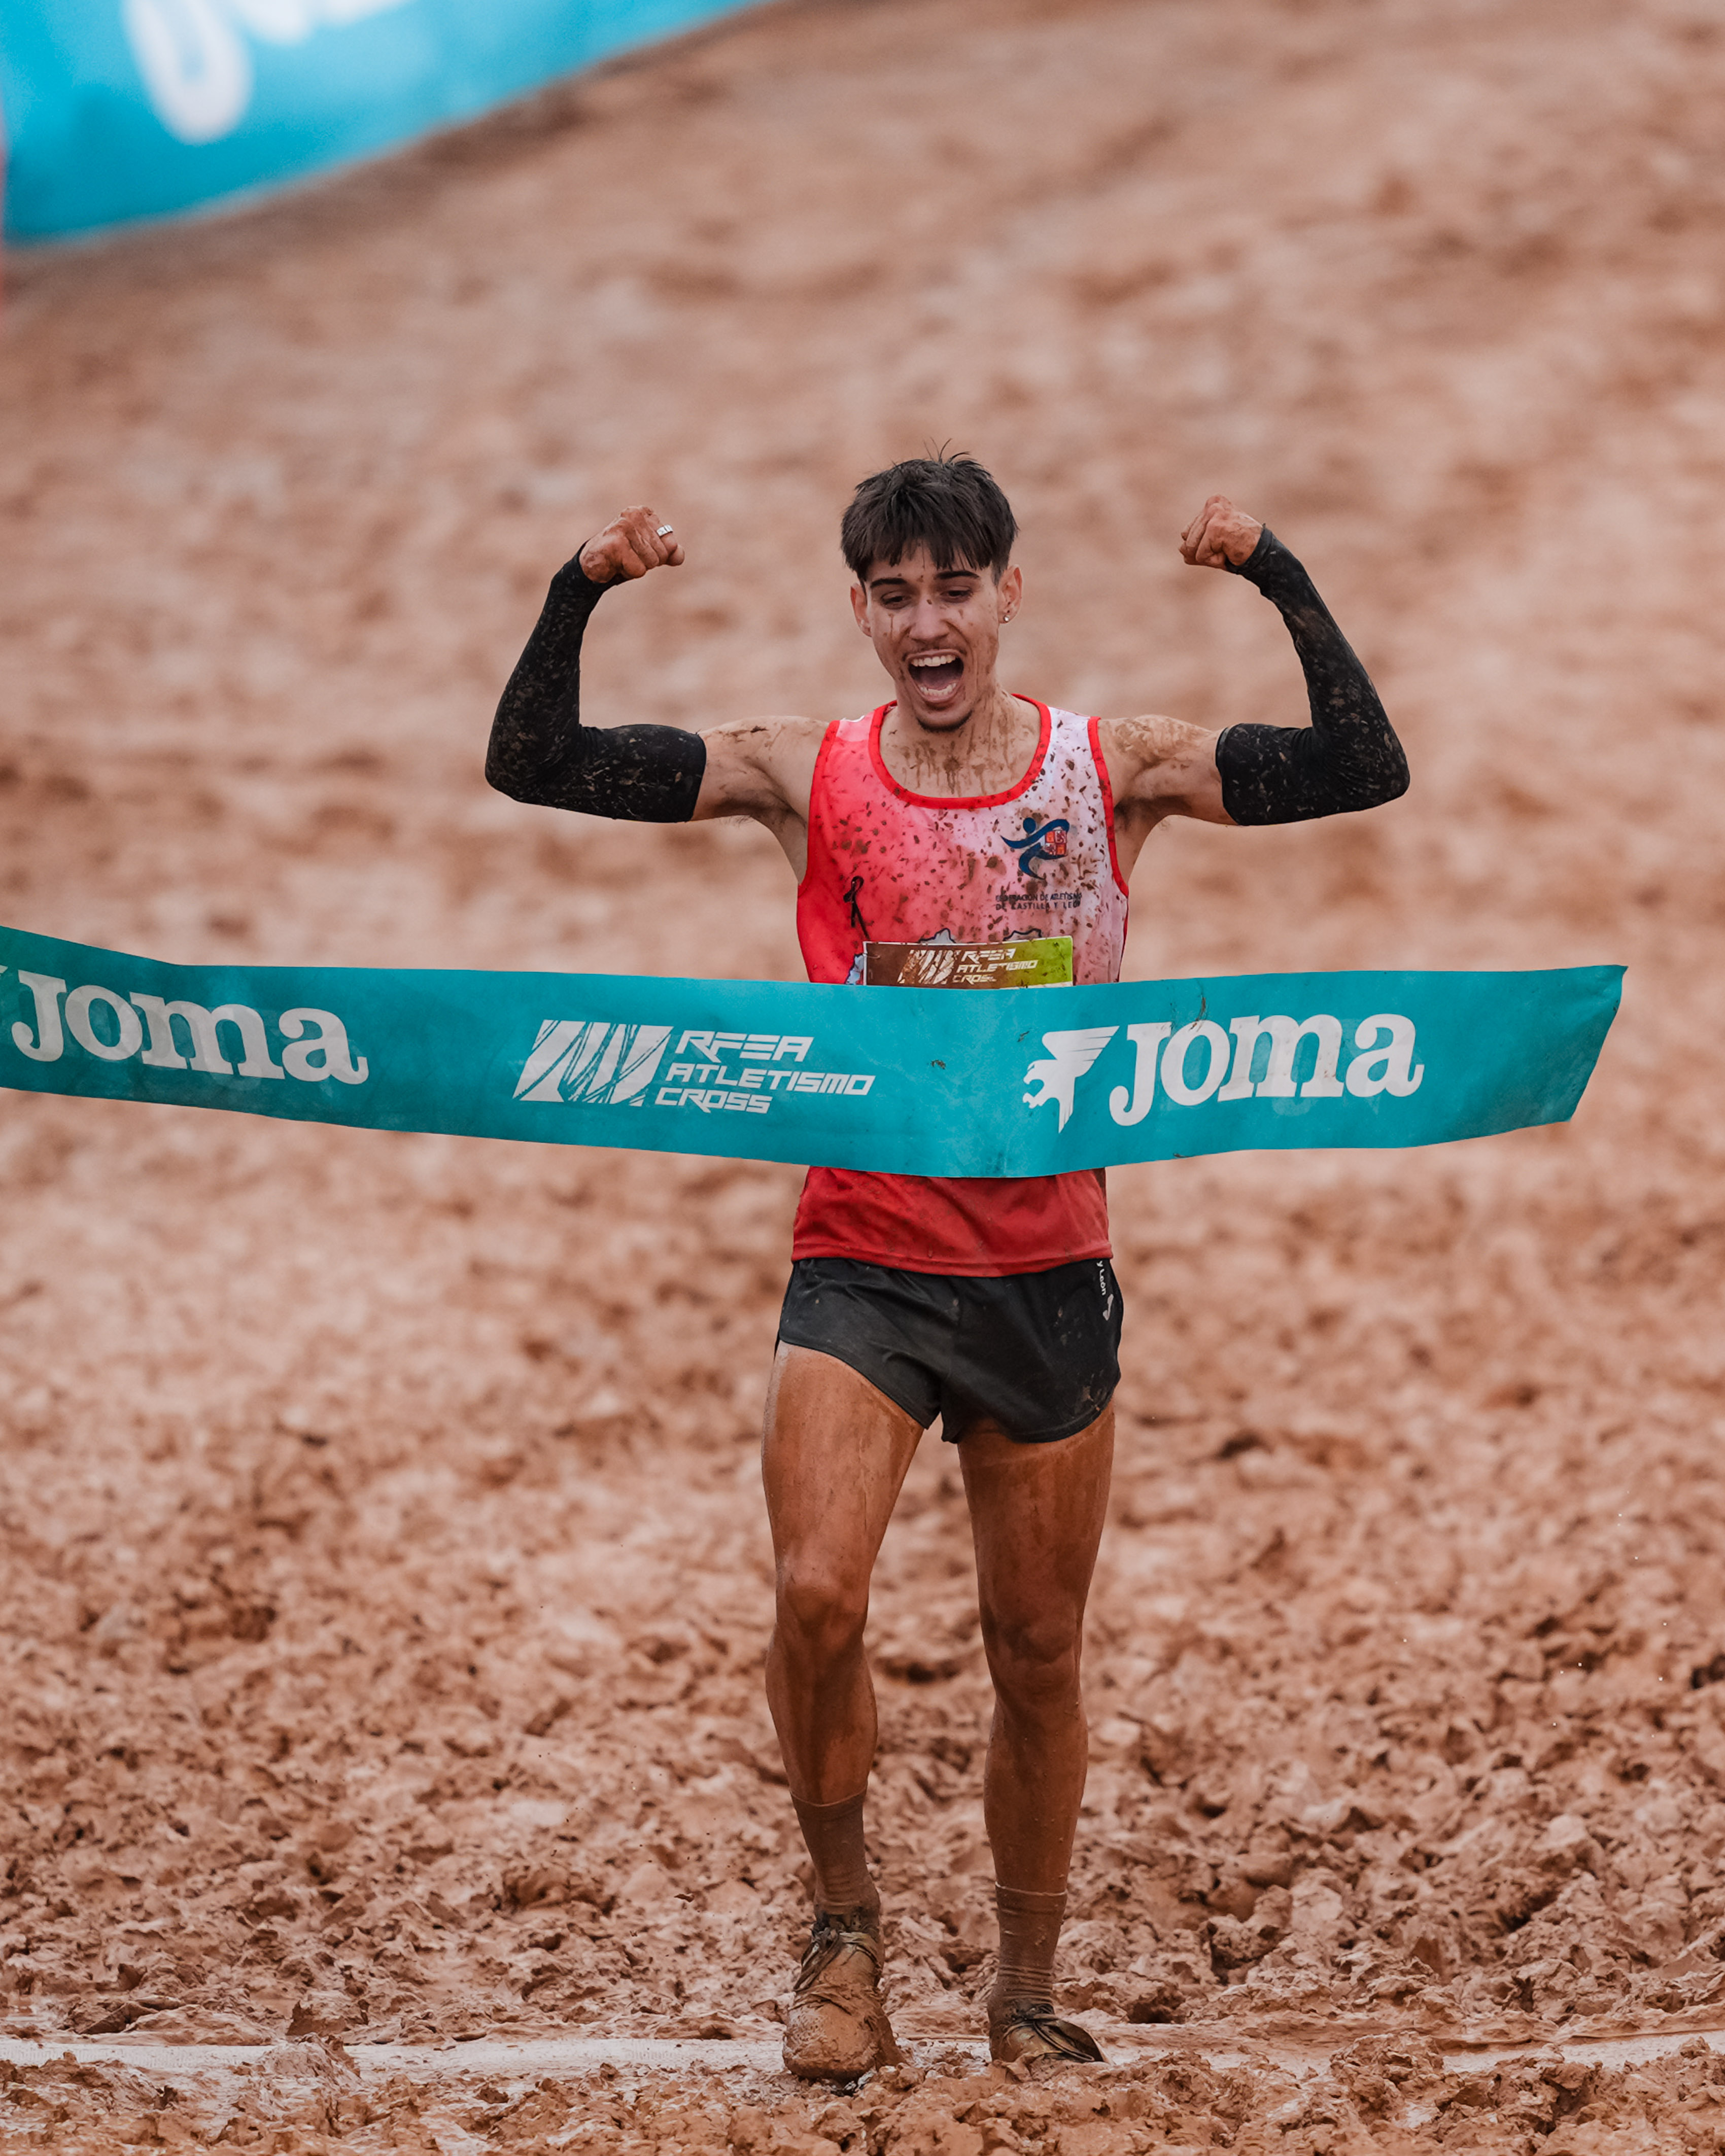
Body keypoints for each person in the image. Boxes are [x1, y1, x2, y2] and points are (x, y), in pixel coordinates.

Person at [486, 455, 1407, 2077]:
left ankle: (1025, 1990)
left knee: (1035, 1651)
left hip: (1050, 1270)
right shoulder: (807, 769)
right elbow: (534, 759)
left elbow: (1361, 764)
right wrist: (581, 586)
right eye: (897, 595)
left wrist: (1273, 566)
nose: (931, 624)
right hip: (866, 1255)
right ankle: (843, 1939)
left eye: (957, 589)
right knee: (817, 1592)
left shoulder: (1110, 768)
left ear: (1007, 595)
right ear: (861, 610)